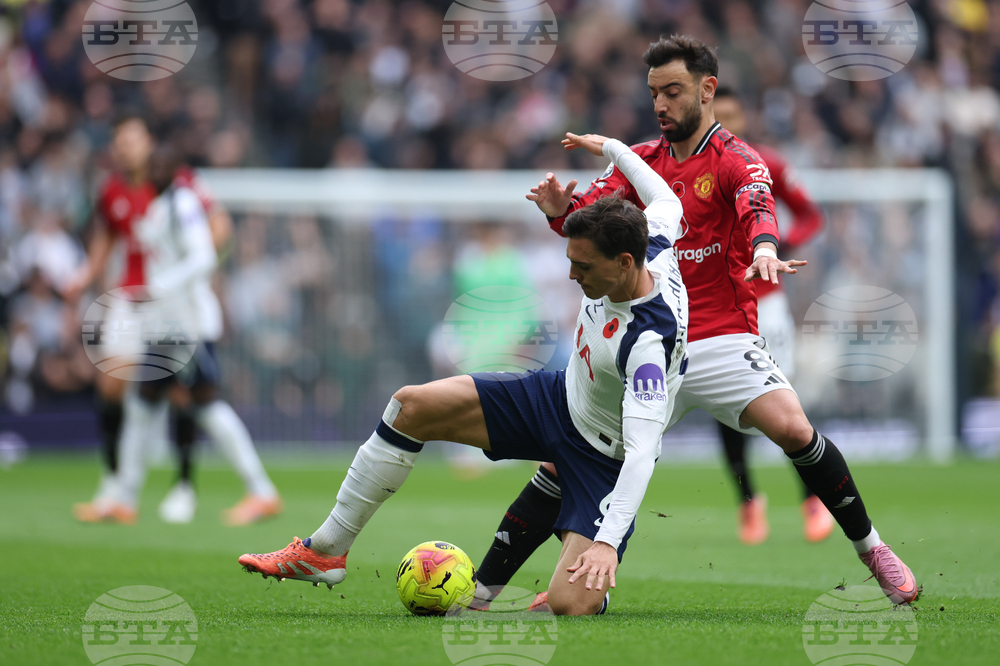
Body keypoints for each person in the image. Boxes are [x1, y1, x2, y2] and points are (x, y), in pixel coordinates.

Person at [474, 35, 918, 609]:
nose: (660, 104)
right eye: (654, 92)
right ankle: (492, 589)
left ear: (707, 90)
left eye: (673, 91)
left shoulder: (738, 159)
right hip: (646, 342)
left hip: (718, 336)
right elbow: (598, 230)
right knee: (564, 460)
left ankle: (873, 550)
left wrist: (763, 246)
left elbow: (759, 208)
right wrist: (565, 214)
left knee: (792, 426)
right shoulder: (641, 163)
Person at [238, 132, 689, 616]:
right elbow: (665, 196)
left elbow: (642, 454)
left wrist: (605, 543)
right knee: (411, 405)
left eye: (583, 266)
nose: (573, 276)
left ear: (624, 263)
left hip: (605, 455)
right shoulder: (656, 237)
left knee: (568, 605)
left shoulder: (646, 347)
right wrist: (612, 148)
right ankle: (324, 550)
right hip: (558, 398)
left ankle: (561, 539)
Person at [66, 115, 245, 524]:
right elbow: (108, 236)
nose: (125, 147)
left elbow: (218, 227)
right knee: (114, 387)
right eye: (119, 140)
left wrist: (188, 275)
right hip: (131, 298)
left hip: (171, 304)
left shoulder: (177, 184)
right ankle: (115, 488)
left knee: (181, 393)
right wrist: (86, 277)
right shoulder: (112, 189)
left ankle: (182, 486)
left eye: (132, 138)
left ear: (147, 141)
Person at [102, 144, 282, 525]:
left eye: (163, 163)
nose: (156, 169)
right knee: (143, 401)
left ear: (176, 169)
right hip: (166, 324)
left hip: (187, 326)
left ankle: (262, 492)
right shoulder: (160, 206)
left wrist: (158, 288)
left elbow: (202, 258)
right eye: (153, 163)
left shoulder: (181, 203)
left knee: (204, 405)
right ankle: (124, 498)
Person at [710, 86, 833, 545]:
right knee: (725, 409)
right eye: (715, 115)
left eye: (730, 115)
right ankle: (749, 502)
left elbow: (810, 216)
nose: (724, 124)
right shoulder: (687, 169)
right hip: (715, 304)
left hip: (766, 303)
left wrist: (776, 245)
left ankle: (811, 497)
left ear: (743, 119)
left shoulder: (766, 165)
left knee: (783, 401)